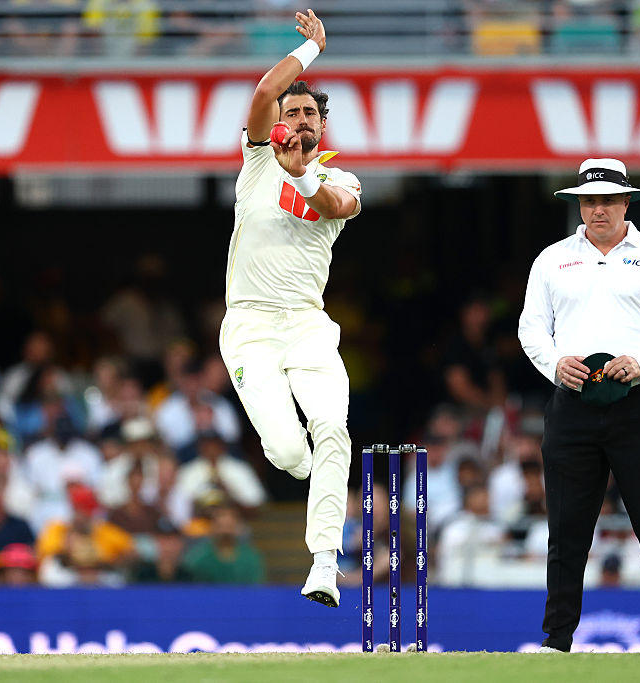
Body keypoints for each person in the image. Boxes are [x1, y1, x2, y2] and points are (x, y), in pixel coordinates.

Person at [518, 158, 640, 653]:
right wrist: (556, 364)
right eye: (589, 200)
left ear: (626, 202)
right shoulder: (552, 258)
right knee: (567, 531)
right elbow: (532, 327)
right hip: (573, 404)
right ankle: (556, 643)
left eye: (607, 200)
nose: (597, 209)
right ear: (579, 203)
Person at [219, 8, 361, 609]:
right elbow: (263, 90)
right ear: (278, 122)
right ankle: (310, 470)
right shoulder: (254, 162)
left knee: (334, 427)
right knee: (288, 454)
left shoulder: (343, 176)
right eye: (292, 111)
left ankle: (324, 564)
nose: (300, 118)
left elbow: (337, 207)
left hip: (307, 326)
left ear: (322, 126)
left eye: (311, 113)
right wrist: (310, 52)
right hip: (249, 327)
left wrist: (304, 177)